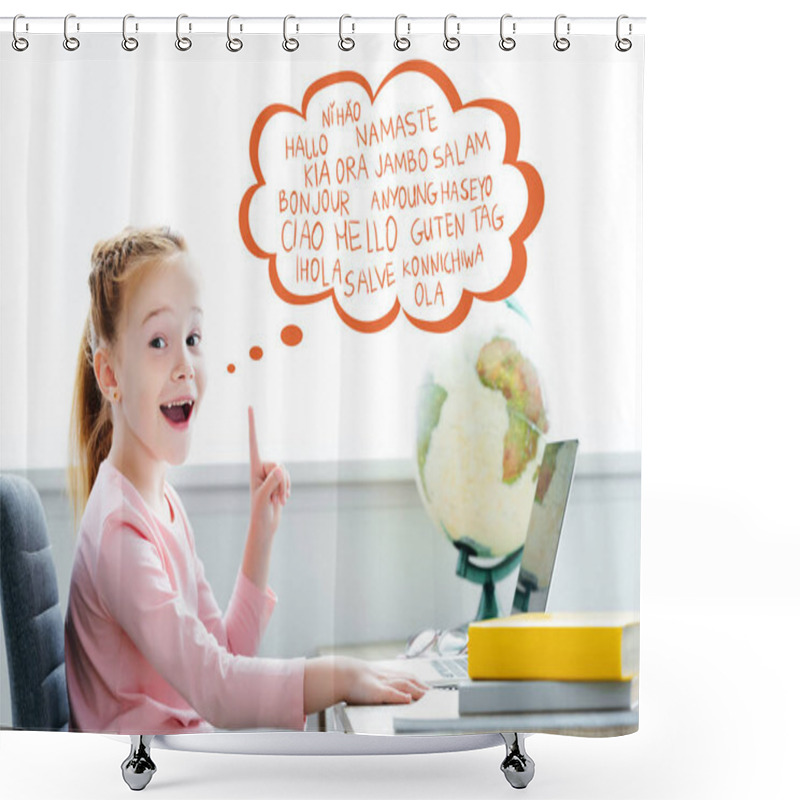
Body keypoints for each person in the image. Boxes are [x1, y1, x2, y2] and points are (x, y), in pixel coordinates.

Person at [64, 225, 427, 734]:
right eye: (158, 342)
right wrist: (340, 674)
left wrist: (262, 531)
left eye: (192, 338)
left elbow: (225, 654)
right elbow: (218, 690)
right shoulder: (120, 534)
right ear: (110, 376)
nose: (185, 365)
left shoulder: (159, 504)